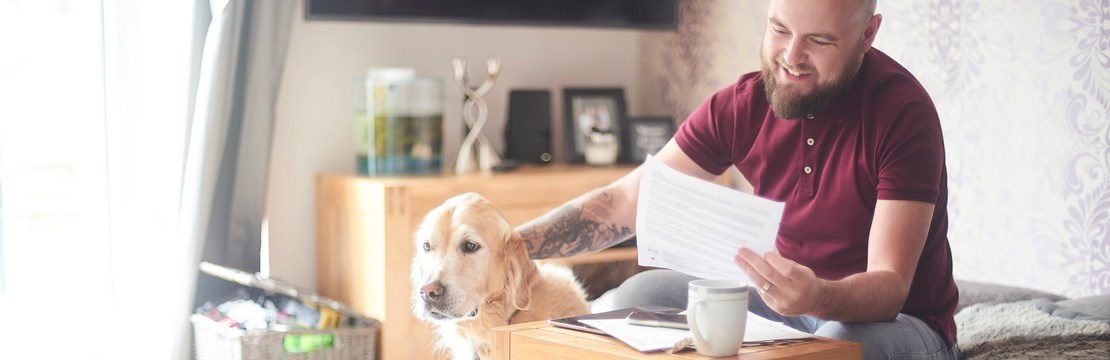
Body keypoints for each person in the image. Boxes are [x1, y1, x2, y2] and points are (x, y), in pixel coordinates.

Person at [516, 0, 959, 358]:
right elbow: (625, 202)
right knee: (627, 300)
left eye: (819, 41)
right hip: (782, 304)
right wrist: (510, 246)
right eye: (780, 30)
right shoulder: (743, 105)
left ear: (867, 35)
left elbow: (890, 288)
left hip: (898, 324)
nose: (791, 58)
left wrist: (816, 295)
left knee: (836, 343)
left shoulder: (903, 115)